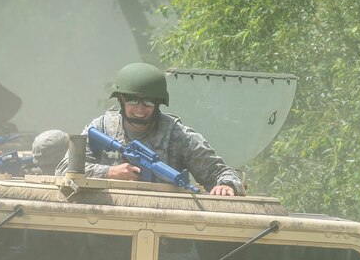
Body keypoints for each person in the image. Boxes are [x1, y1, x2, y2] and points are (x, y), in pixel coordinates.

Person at [56, 63, 243, 196]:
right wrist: (110, 172)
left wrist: (226, 186)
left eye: (147, 102)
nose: (139, 109)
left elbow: (222, 173)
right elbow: (65, 170)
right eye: (132, 100)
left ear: (158, 104)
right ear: (120, 100)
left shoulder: (178, 136)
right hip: (107, 222)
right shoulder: (102, 128)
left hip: (162, 224)